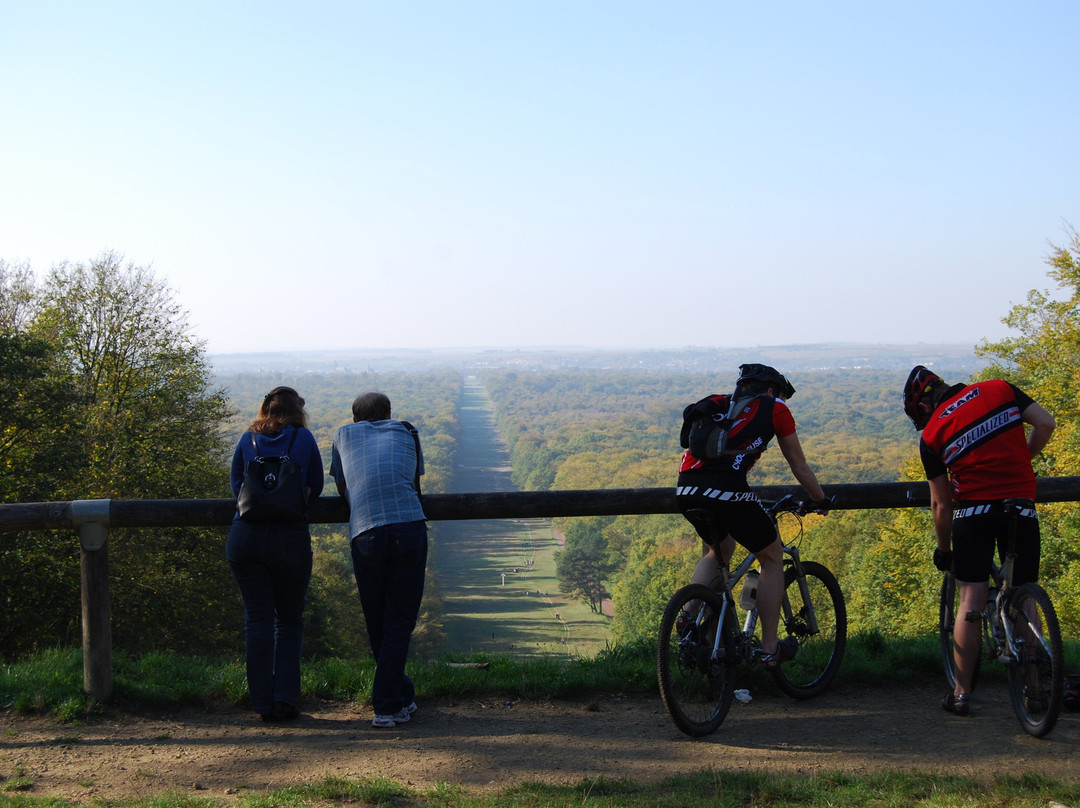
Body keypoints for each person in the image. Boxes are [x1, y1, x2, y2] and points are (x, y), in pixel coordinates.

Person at [903, 365, 1056, 716]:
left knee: (970, 596)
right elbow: (1046, 424)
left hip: (974, 513)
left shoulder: (931, 436)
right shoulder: (1000, 389)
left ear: (923, 408)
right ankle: (1035, 689)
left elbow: (941, 503)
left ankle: (960, 693)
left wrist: (944, 551)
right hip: (1021, 504)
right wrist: (1023, 461)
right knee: (1024, 593)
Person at [675, 363, 829, 669]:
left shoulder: (718, 404)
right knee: (771, 557)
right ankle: (769, 649)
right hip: (727, 492)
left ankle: (688, 615)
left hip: (686, 490)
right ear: (772, 391)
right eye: (782, 396)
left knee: (721, 548)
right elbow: (799, 467)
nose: (783, 401)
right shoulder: (776, 409)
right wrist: (819, 498)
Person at [330, 392, 427, 729]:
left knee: (377, 619)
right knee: (400, 619)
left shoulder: (342, 435)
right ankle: (388, 704)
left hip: (365, 532)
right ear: (389, 414)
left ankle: (399, 697)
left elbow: (343, 487)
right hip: (408, 527)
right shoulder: (407, 431)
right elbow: (414, 482)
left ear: (355, 418)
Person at [227, 386, 324, 722]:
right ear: (297, 410)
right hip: (290, 538)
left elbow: (235, 486)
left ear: (265, 409)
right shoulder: (304, 439)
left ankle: (261, 703)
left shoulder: (246, 439)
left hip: (246, 537)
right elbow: (316, 487)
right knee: (290, 620)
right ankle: (285, 699)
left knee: (258, 620)